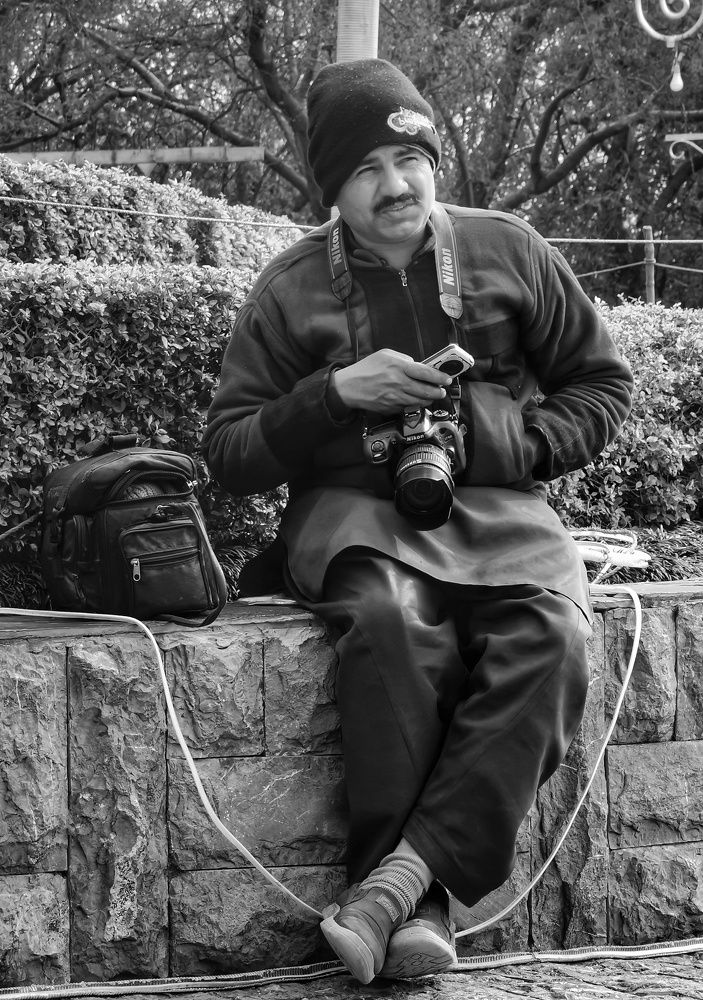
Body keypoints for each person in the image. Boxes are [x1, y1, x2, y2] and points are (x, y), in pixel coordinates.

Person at [202, 58, 634, 985]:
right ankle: (417, 901)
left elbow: (602, 385)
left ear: (434, 160)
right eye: (366, 169)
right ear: (332, 189)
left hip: (503, 510)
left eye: (409, 158)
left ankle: (394, 889)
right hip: (354, 517)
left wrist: (513, 443)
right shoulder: (288, 289)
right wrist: (333, 395)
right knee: (391, 621)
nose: (395, 184)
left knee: (555, 637)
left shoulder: (510, 249)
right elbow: (229, 452)